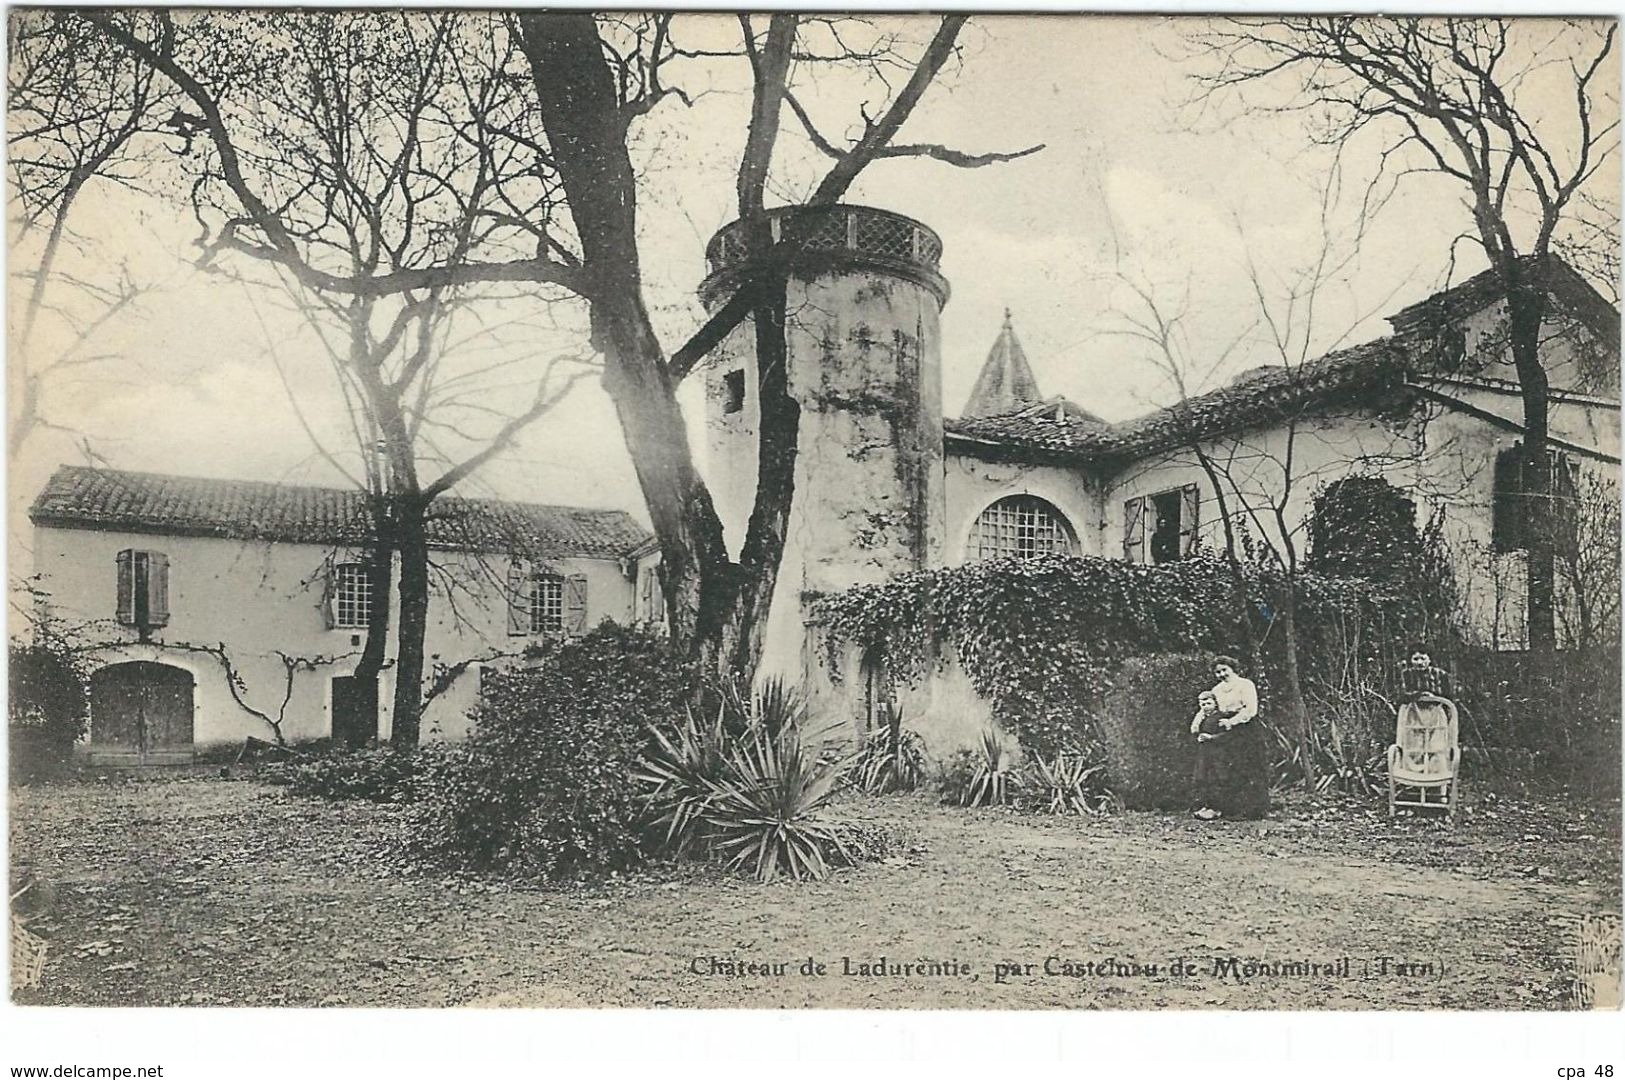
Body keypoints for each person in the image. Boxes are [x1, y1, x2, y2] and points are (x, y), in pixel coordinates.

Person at [1189, 655, 1271, 821]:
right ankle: (1231, 809)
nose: (1221, 674)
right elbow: (1207, 707)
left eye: (1224, 670)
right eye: (1218, 672)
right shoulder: (1217, 689)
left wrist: (1232, 721)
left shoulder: (1245, 685)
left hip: (1246, 729)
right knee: (1227, 769)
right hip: (1226, 732)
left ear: (1233, 669)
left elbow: (1251, 709)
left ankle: (1253, 810)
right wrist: (1197, 723)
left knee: (1248, 768)